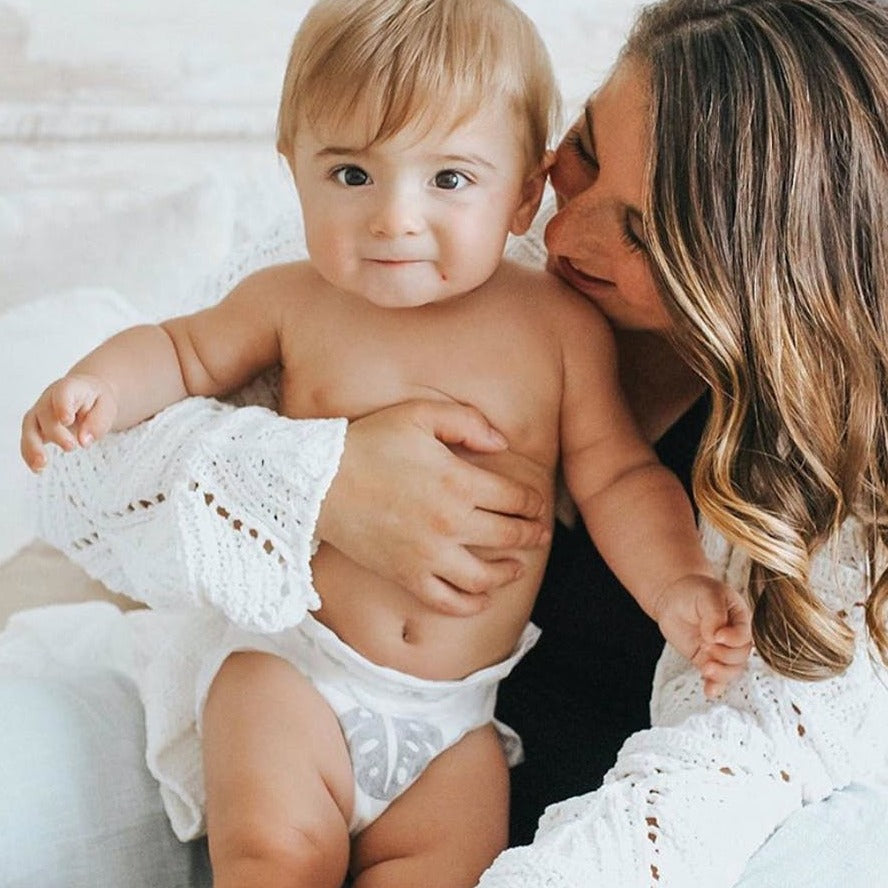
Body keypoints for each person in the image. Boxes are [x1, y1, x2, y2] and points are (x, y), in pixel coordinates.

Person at [2, 0, 887, 886]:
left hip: (458, 726)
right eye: (582, 149)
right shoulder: (330, 279)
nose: (562, 234)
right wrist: (316, 478)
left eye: (646, 233)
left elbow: (621, 482)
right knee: (272, 857)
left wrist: (681, 589)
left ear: (758, 276)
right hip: (298, 673)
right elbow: (158, 380)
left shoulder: (562, 338)